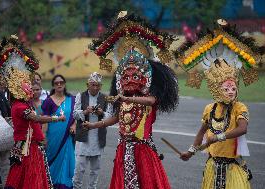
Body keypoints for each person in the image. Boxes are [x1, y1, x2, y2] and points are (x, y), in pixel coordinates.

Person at [85, 12, 179, 189]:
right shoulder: (123, 101)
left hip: (143, 150)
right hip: (124, 149)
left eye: (135, 75)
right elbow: (115, 119)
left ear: (145, 77)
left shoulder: (149, 98)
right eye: (125, 76)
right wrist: (94, 125)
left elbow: (151, 101)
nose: (129, 79)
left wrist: (127, 98)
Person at [174, 19, 265, 189]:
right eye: (226, 88)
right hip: (213, 166)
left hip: (234, 166)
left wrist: (218, 136)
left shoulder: (240, 107)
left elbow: (242, 128)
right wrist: (190, 151)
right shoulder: (209, 109)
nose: (231, 91)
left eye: (233, 87)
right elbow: (201, 133)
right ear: (216, 90)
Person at [0, 35, 66, 189]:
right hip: (26, 150)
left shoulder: (23, 104)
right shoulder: (19, 106)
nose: (29, 87)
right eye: (25, 84)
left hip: (31, 148)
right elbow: (36, 118)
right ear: (17, 89)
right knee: (28, 183)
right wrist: (57, 118)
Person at [73, 72, 112, 189]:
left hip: (98, 138)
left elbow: (110, 117)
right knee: (79, 170)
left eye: (98, 85)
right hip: (83, 139)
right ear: (87, 85)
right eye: (93, 85)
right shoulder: (81, 96)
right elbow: (74, 114)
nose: (95, 87)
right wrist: (85, 111)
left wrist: (102, 113)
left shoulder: (106, 98)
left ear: (101, 86)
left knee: (95, 171)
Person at [42, 74, 76, 189]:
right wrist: (44, 137)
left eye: (61, 82)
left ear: (64, 83)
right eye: (56, 83)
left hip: (66, 138)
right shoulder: (48, 101)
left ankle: (64, 185)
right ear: (53, 85)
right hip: (52, 139)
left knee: (65, 163)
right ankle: (50, 184)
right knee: (51, 161)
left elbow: (75, 116)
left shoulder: (72, 99)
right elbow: (45, 121)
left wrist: (74, 125)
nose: (59, 84)